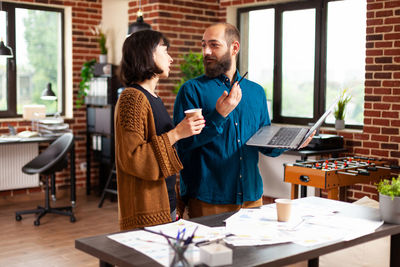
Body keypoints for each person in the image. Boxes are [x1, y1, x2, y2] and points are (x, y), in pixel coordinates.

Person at [173, 23, 313, 218]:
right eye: (203, 45)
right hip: (208, 198)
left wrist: (293, 143)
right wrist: (219, 115)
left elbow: (264, 144)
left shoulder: (256, 92)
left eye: (214, 45)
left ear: (234, 47)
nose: (206, 51)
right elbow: (183, 144)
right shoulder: (191, 90)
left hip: (252, 198)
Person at [114, 30, 205, 230]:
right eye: (165, 51)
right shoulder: (133, 98)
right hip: (145, 211)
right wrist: (177, 133)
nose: (171, 58)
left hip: (165, 205)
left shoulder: (153, 98)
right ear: (148, 54)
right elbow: (133, 158)